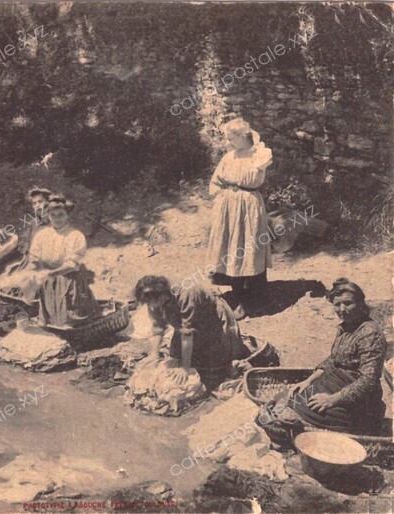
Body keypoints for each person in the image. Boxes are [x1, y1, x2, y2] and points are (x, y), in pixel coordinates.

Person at [272, 278, 386, 437]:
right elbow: (334, 359)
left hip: (359, 402)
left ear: (360, 303)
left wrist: (331, 400)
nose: (342, 309)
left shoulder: (370, 333)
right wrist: (308, 381)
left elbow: (368, 381)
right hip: (335, 382)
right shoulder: (346, 326)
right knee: (288, 398)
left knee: (297, 410)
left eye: (348, 303)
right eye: (337, 304)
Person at [207, 118, 273, 320]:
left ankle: (250, 298)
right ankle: (236, 293)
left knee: (247, 247)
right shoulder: (229, 157)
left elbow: (256, 178)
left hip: (249, 205)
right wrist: (220, 196)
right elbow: (216, 180)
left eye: (232, 138)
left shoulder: (260, 155)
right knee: (230, 247)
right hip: (228, 206)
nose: (229, 143)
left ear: (243, 136)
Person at [134, 275, 244, 390]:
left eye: (151, 302)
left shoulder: (186, 294)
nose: (151, 307)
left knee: (214, 368)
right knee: (176, 355)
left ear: (162, 295)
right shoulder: (155, 300)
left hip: (213, 319)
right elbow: (158, 328)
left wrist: (184, 368)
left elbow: (187, 334)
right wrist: (154, 355)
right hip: (185, 323)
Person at [21, 195, 100, 328]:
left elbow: (71, 265)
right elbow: (34, 260)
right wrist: (25, 274)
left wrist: (50, 274)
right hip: (47, 282)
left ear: (67, 215)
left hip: (70, 281)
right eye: (53, 215)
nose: (57, 219)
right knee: (48, 320)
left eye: (61, 215)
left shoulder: (76, 236)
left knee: (70, 320)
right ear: (48, 216)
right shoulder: (41, 235)